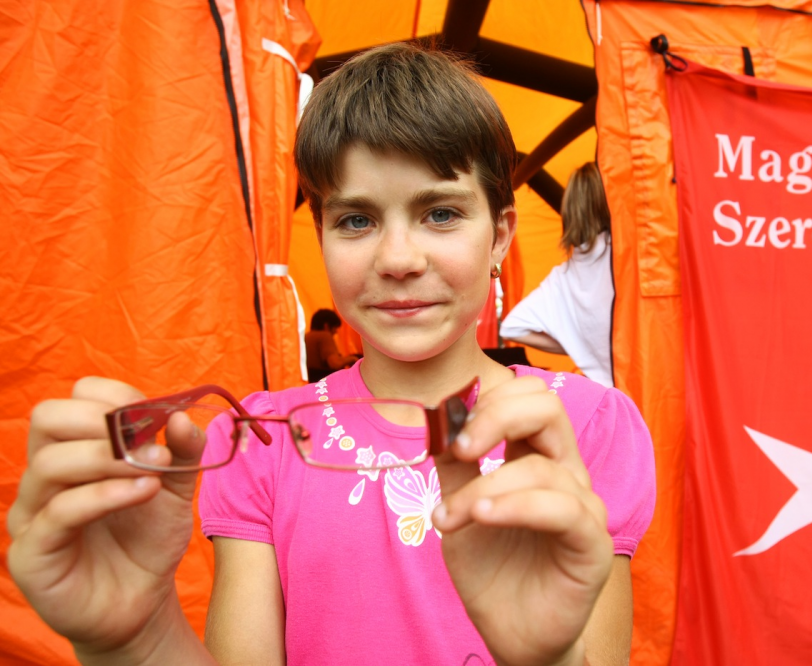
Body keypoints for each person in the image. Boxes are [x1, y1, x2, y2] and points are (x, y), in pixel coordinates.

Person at [8, 44, 655, 665]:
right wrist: (137, 640)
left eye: (440, 214)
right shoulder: (262, 439)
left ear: (501, 235)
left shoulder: (585, 428)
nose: (398, 259)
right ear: (318, 234)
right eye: (356, 221)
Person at [500, 162, 615, 387]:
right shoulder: (628, 256)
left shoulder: (562, 277)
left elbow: (512, 327)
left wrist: (580, 348)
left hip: (604, 390)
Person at [304, 308, 358, 382]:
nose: (335, 332)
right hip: (325, 382)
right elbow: (335, 364)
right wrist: (353, 358)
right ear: (326, 326)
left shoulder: (306, 336)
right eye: (335, 328)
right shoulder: (324, 336)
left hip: (311, 382)